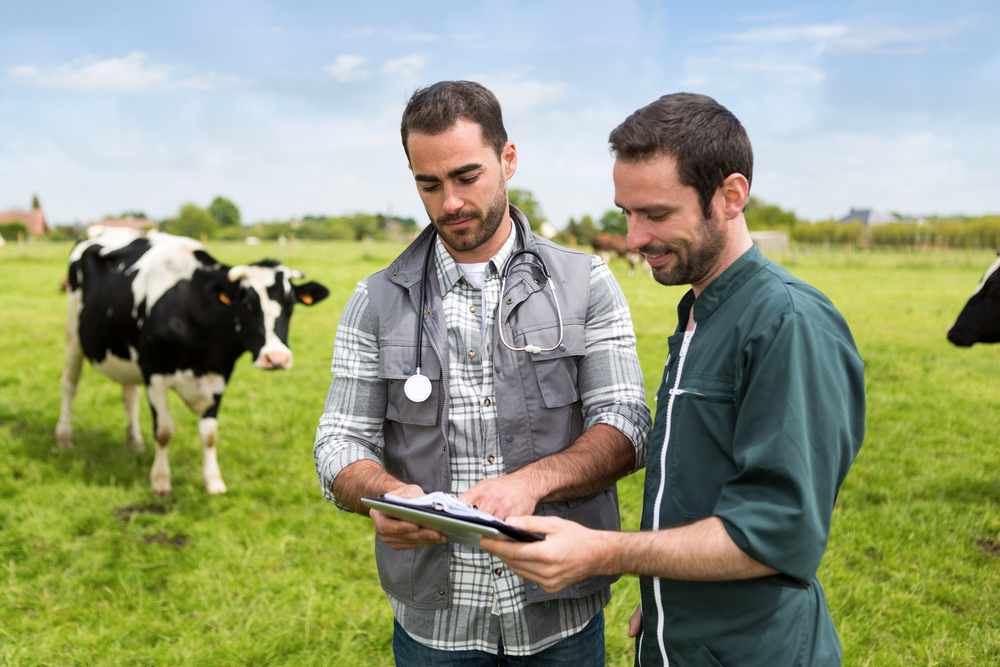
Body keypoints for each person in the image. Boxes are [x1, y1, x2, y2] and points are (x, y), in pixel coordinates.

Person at [481, 93, 866, 667]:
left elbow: (778, 534)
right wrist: (667, 600)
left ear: (731, 196)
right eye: (626, 214)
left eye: (656, 214)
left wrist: (601, 552)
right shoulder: (699, 311)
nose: (634, 238)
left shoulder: (787, 323)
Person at [314, 80, 651, 666]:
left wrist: (531, 482)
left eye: (467, 176)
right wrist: (386, 495)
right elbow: (338, 441)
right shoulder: (373, 301)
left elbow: (627, 423)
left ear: (508, 159)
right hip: (436, 629)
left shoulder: (587, 282)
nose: (450, 203)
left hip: (560, 618)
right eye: (429, 183)